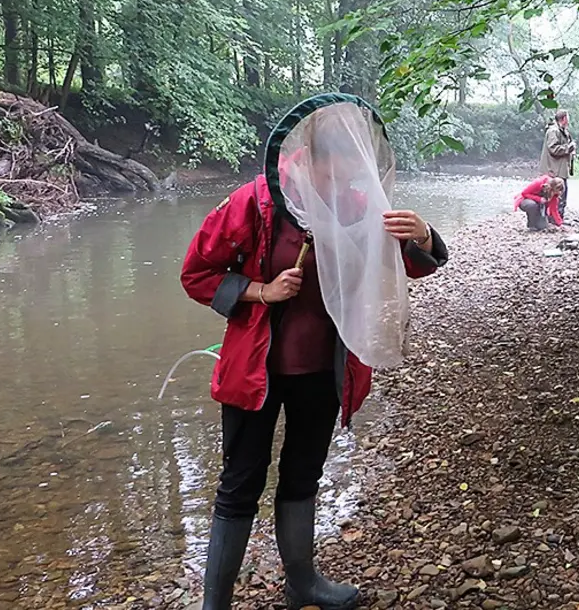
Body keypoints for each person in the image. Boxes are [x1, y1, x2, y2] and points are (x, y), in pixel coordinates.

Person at [180, 95, 449, 610]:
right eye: (346, 161)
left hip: (324, 368)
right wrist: (261, 291)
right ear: (313, 156)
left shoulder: (358, 203)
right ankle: (215, 604)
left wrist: (425, 235)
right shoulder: (256, 201)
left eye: (361, 161)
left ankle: (301, 581)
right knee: (240, 484)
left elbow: (416, 264)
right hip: (255, 370)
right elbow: (196, 274)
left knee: (303, 474)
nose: (355, 174)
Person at [538, 109, 575, 220]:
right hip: (554, 169)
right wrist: (569, 148)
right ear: (563, 119)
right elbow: (553, 148)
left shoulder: (562, 130)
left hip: (559, 168)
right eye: (567, 118)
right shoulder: (553, 131)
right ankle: (554, 218)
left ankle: (557, 218)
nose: (568, 121)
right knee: (557, 194)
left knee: (560, 194)